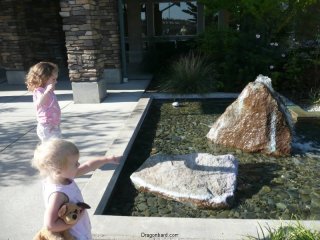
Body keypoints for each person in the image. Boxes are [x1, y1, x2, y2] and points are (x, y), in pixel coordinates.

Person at [32, 138, 121, 240]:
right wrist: (71, 224)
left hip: (80, 230)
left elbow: (88, 166)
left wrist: (107, 159)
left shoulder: (64, 177)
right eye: (75, 163)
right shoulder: (58, 194)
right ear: (58, 171)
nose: (78, 165)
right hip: (75, 236)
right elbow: (50, 225)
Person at [25, 62, 61, 142]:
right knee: (50, 147)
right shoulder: (39, 91)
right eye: (53, 79)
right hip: (46, 125)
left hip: (53, 124)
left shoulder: (48, 91)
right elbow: (39, 103)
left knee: (56, 145)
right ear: (44, 78)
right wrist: (47, 91)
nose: (56, 82)